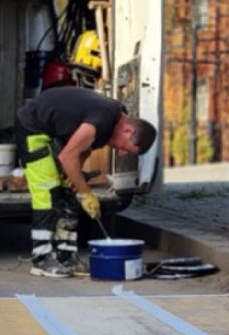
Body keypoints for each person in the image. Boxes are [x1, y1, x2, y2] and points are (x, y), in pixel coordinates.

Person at [15, 86, 156, 277]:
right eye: (127, 149)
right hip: (33, 125)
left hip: (54, 134)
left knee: (68, 196)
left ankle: (67, 258)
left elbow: (84, 149)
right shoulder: (104, 117)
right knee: (48, 195)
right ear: (128, 130)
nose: (122, 153)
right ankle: (41, 260)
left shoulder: (113, 122)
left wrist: (74, 179)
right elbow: (68, 156)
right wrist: (86, 193)